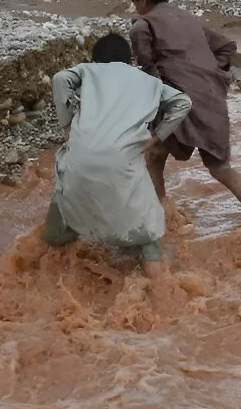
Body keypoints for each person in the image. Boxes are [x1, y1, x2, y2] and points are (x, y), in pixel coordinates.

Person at [127, 0, 241, 220]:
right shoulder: (189, 19)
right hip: (213, 101)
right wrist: (215, 77)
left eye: (134, 2)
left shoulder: (142, 26)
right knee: (221, 168)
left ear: (141, 0)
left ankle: (160, 216)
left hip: (179, 103)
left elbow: (149, 73)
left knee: (153, 155)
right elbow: (226, 46)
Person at [45, 34, 192, 278]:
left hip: (80, 158)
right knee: (146, 228)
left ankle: (48, 269)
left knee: (66, 196)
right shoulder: (148, 81)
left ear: (96, 59)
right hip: (124, 161)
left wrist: (67, 124)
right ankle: (160, 292)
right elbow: (183, 102)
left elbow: (60, 78)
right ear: (129, 60)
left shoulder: (89, 71)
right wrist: (157, 136)